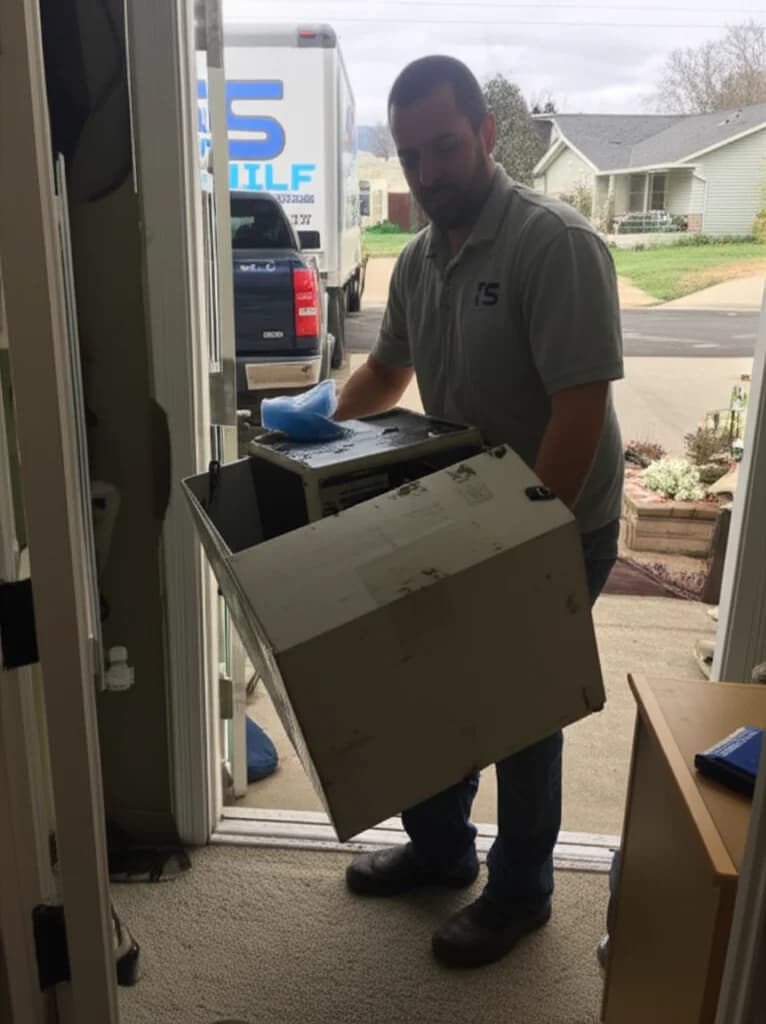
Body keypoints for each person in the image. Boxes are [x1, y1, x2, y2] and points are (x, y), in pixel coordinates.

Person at [335, 55, 624, 970]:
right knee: (433, 683)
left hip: (557, 517)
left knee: (518, 706)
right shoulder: (421, 257)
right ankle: (441, 849)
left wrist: (527, 538)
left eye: (446, 148)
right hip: (461, 513)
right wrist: (307, 442)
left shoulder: (555, 244)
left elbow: (581, 410)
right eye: (411, 155)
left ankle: (521, 893)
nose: (427, 175)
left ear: (489, 135)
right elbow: (388, 372)